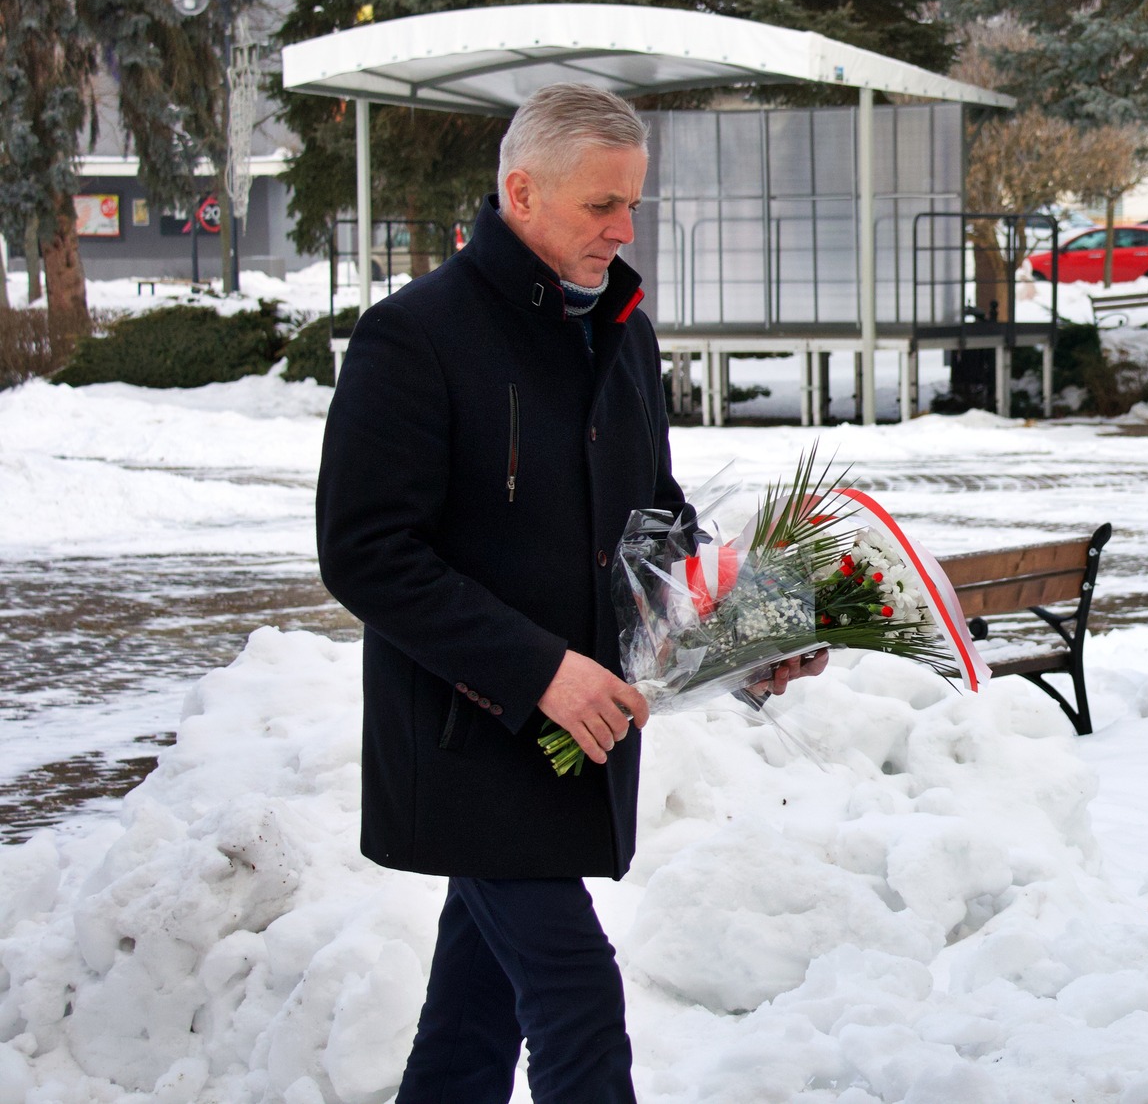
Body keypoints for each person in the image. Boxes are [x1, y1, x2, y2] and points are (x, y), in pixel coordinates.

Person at [317, 83, 820, 1103]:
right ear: (522, 193)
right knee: (576, 997)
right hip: (466, 739)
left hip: (575, 742)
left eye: (631, 205)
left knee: (472, 1019)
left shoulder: (621, 330)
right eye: (600, 207)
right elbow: (365, 552)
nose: (622, 229)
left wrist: (748, 629)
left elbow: (655, 515)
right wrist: (537, 670)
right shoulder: (414, 337)